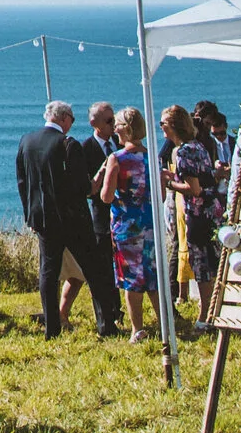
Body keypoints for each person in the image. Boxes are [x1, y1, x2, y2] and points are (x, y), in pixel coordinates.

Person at [17, 101, 120, 339]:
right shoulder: (67, 144)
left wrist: (30, 215)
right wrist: (99, 177)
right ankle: (106, 325)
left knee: (48, 272)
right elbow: (84, 188)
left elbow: (23, 183)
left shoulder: (27, 141)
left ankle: (51, 328)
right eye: (72, 120)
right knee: (94, 270)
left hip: (43, 218)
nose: (72, 124)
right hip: (73, 218)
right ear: (64, 118)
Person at [99, 107, 158, 342]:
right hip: (149, 222)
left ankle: (137, 328)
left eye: (119, 125)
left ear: (127, 129)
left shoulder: (118, 159)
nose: (115, 128)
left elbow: (106, 196)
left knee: (131, 279)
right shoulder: (153, 156)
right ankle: (164, 323)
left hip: (127, 224)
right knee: (153, 275)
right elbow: (160, 194)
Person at [59, 102, 117, 325]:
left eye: (114, 120)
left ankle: (115, 310)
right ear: (95, 123)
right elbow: (82, 187)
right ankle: (102, 314)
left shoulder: (119, 144)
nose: (113, 125)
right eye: (109, 121)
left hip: (120, 215)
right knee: (94, 269)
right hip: (97, 216)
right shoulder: (84, 148)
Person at [161, 106, 221, 306]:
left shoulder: (184, 151)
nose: (161, 127)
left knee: (201, 266)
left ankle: (205, 314)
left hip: (197, 213)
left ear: (172, 127)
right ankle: (212, 308)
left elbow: (193, 188)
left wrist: (169, 183)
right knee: (211, 263)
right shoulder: (198, 146)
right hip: (210, 210)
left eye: (163, 123)